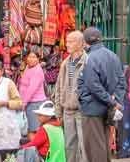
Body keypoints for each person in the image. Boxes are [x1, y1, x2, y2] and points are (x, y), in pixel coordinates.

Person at [77, 27, 125, 162]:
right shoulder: (113, 56)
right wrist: (116, 101)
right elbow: (122, 81)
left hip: (93, 109)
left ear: (86, 42)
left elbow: (93, 86)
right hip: (107, 109)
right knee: (104, 145)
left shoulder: (90, 58)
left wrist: (112, 101)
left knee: (94, 149)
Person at [54, 30, 87, 162]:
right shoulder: (65, 63)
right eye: (67, 41)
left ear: (80, 44)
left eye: (71, 41)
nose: (67, 44)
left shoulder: (87, 62)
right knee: (69, 146)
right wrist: (58, 112)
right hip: (67, 111)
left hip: (82, 111)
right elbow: (58, 88)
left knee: (83, 146)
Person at [19, 49, 48, 139]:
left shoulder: (37, 70)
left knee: (33, 130)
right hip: (29, 103)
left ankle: (35, 151)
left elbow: (32, 89)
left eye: (34, 57)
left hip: (35, 103)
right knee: (30, 129)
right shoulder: (28, 68)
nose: (31, 59)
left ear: (38, 59)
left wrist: (23, 103)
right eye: (29, 57)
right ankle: (32, 151)